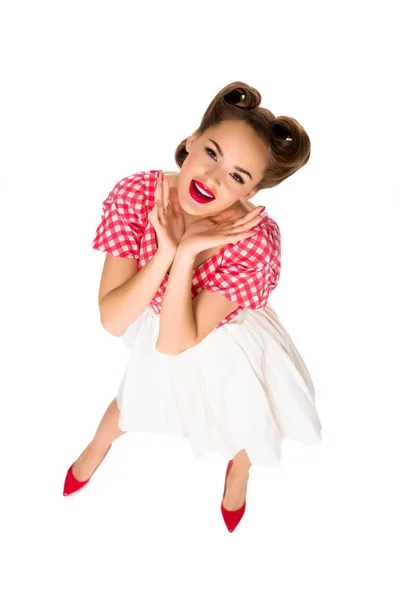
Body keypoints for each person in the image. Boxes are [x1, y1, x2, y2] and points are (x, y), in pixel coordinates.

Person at [63, 81, 322, 533]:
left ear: (253, 191)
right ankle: (96, 448)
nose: (214, 179)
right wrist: (167, 251)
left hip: (231, 336)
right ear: (191, 142)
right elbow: (113, 319)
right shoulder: (138, 195)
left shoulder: (255, 240)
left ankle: (239, 471)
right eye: (212, 153)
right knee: (133, 399)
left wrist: (185, 257)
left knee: (244, 413)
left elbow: (177, 341)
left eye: (238, 177)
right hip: (162, 323)